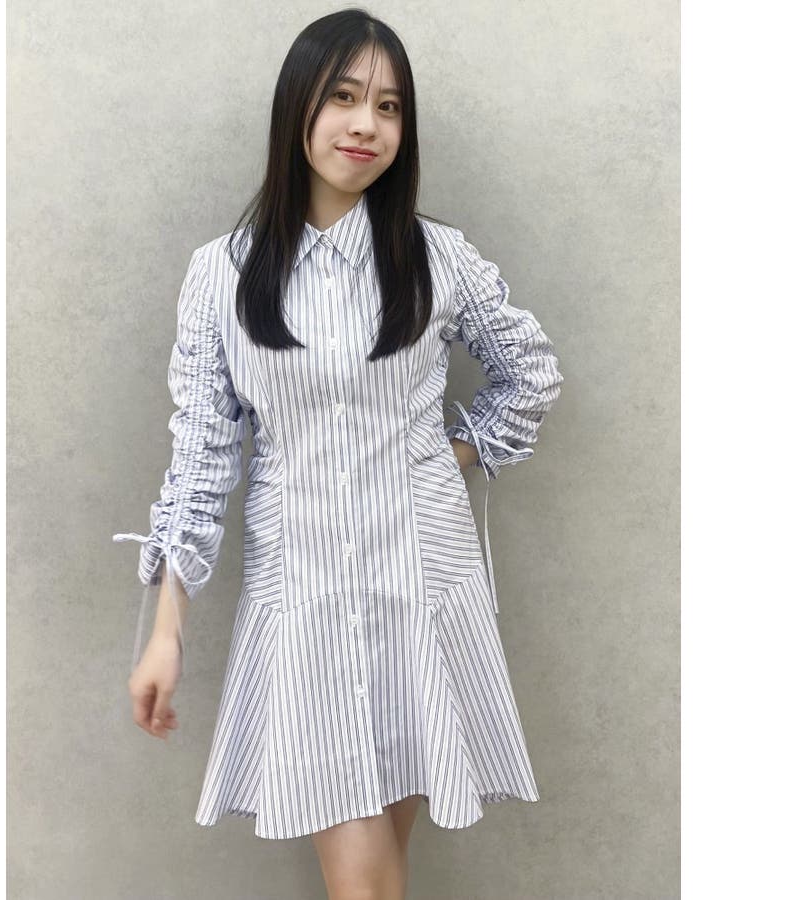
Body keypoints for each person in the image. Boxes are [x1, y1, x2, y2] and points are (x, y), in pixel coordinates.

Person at [112, 8, 564, 899]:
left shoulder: (438, 257)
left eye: (390, 107)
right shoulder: (223, 273)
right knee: (366, 883)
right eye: (345, 97)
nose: (367, 124)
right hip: (304, 598)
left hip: (422, 587)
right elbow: (201, 459)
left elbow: (532, 375)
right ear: (300, 108)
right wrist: (166, 634)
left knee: (377, 878)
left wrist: (442, 458)